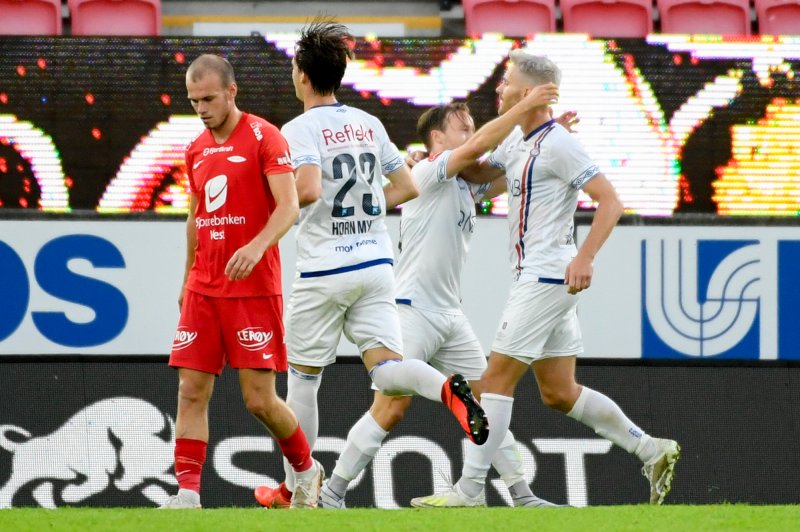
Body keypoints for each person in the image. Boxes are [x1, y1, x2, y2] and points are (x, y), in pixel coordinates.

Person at [411, 50, 680, 508]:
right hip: (540, 279)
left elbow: (610, 202)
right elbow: (475, 170)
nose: (498, 89)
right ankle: (650, 448)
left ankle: (470, 491)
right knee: (558, 392)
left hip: (547, 277)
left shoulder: (559, 143)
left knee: (494, 380)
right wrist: (428, 157)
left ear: (531, 90)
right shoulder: (520, 142)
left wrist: (587, 257)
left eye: (506, 81)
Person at [254, 21, 488, 509]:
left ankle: (301, 492)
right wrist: (362, 207)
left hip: (322, 272)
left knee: (303, 380)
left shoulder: (296, 129)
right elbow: (406, 188)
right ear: (338, 73)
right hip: (376, 264)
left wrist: (275, 211)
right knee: (386, 370)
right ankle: (444, 387)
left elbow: (311, 188)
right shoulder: (369, 124)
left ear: (300, 74)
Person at [311, 85, 573, 508]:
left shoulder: (466, 185)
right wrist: (523, 108)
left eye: (472, 126)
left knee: (488, 401)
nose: (471, 132)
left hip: (451, 316)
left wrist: (542, 136)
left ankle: (522, 497)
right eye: (462, 127)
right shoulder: (428, 170)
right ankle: (331, 493)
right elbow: (479, 150)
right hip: (411, 309)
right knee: (391, 408)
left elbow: (510, 173)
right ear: (436, 138)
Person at [160, 54, 322, 509]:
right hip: (203, 289)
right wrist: (186, 277)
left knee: (258, 401)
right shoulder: (195, 149)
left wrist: (255, 246)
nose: (201, 108)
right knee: (191, 390)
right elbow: (196, 218)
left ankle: (306, 471)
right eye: (193, 101)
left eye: (208, 98)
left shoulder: (264, 136)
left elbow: (289, 206)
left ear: (232, 91)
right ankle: (188, 494)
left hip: (252, 288)